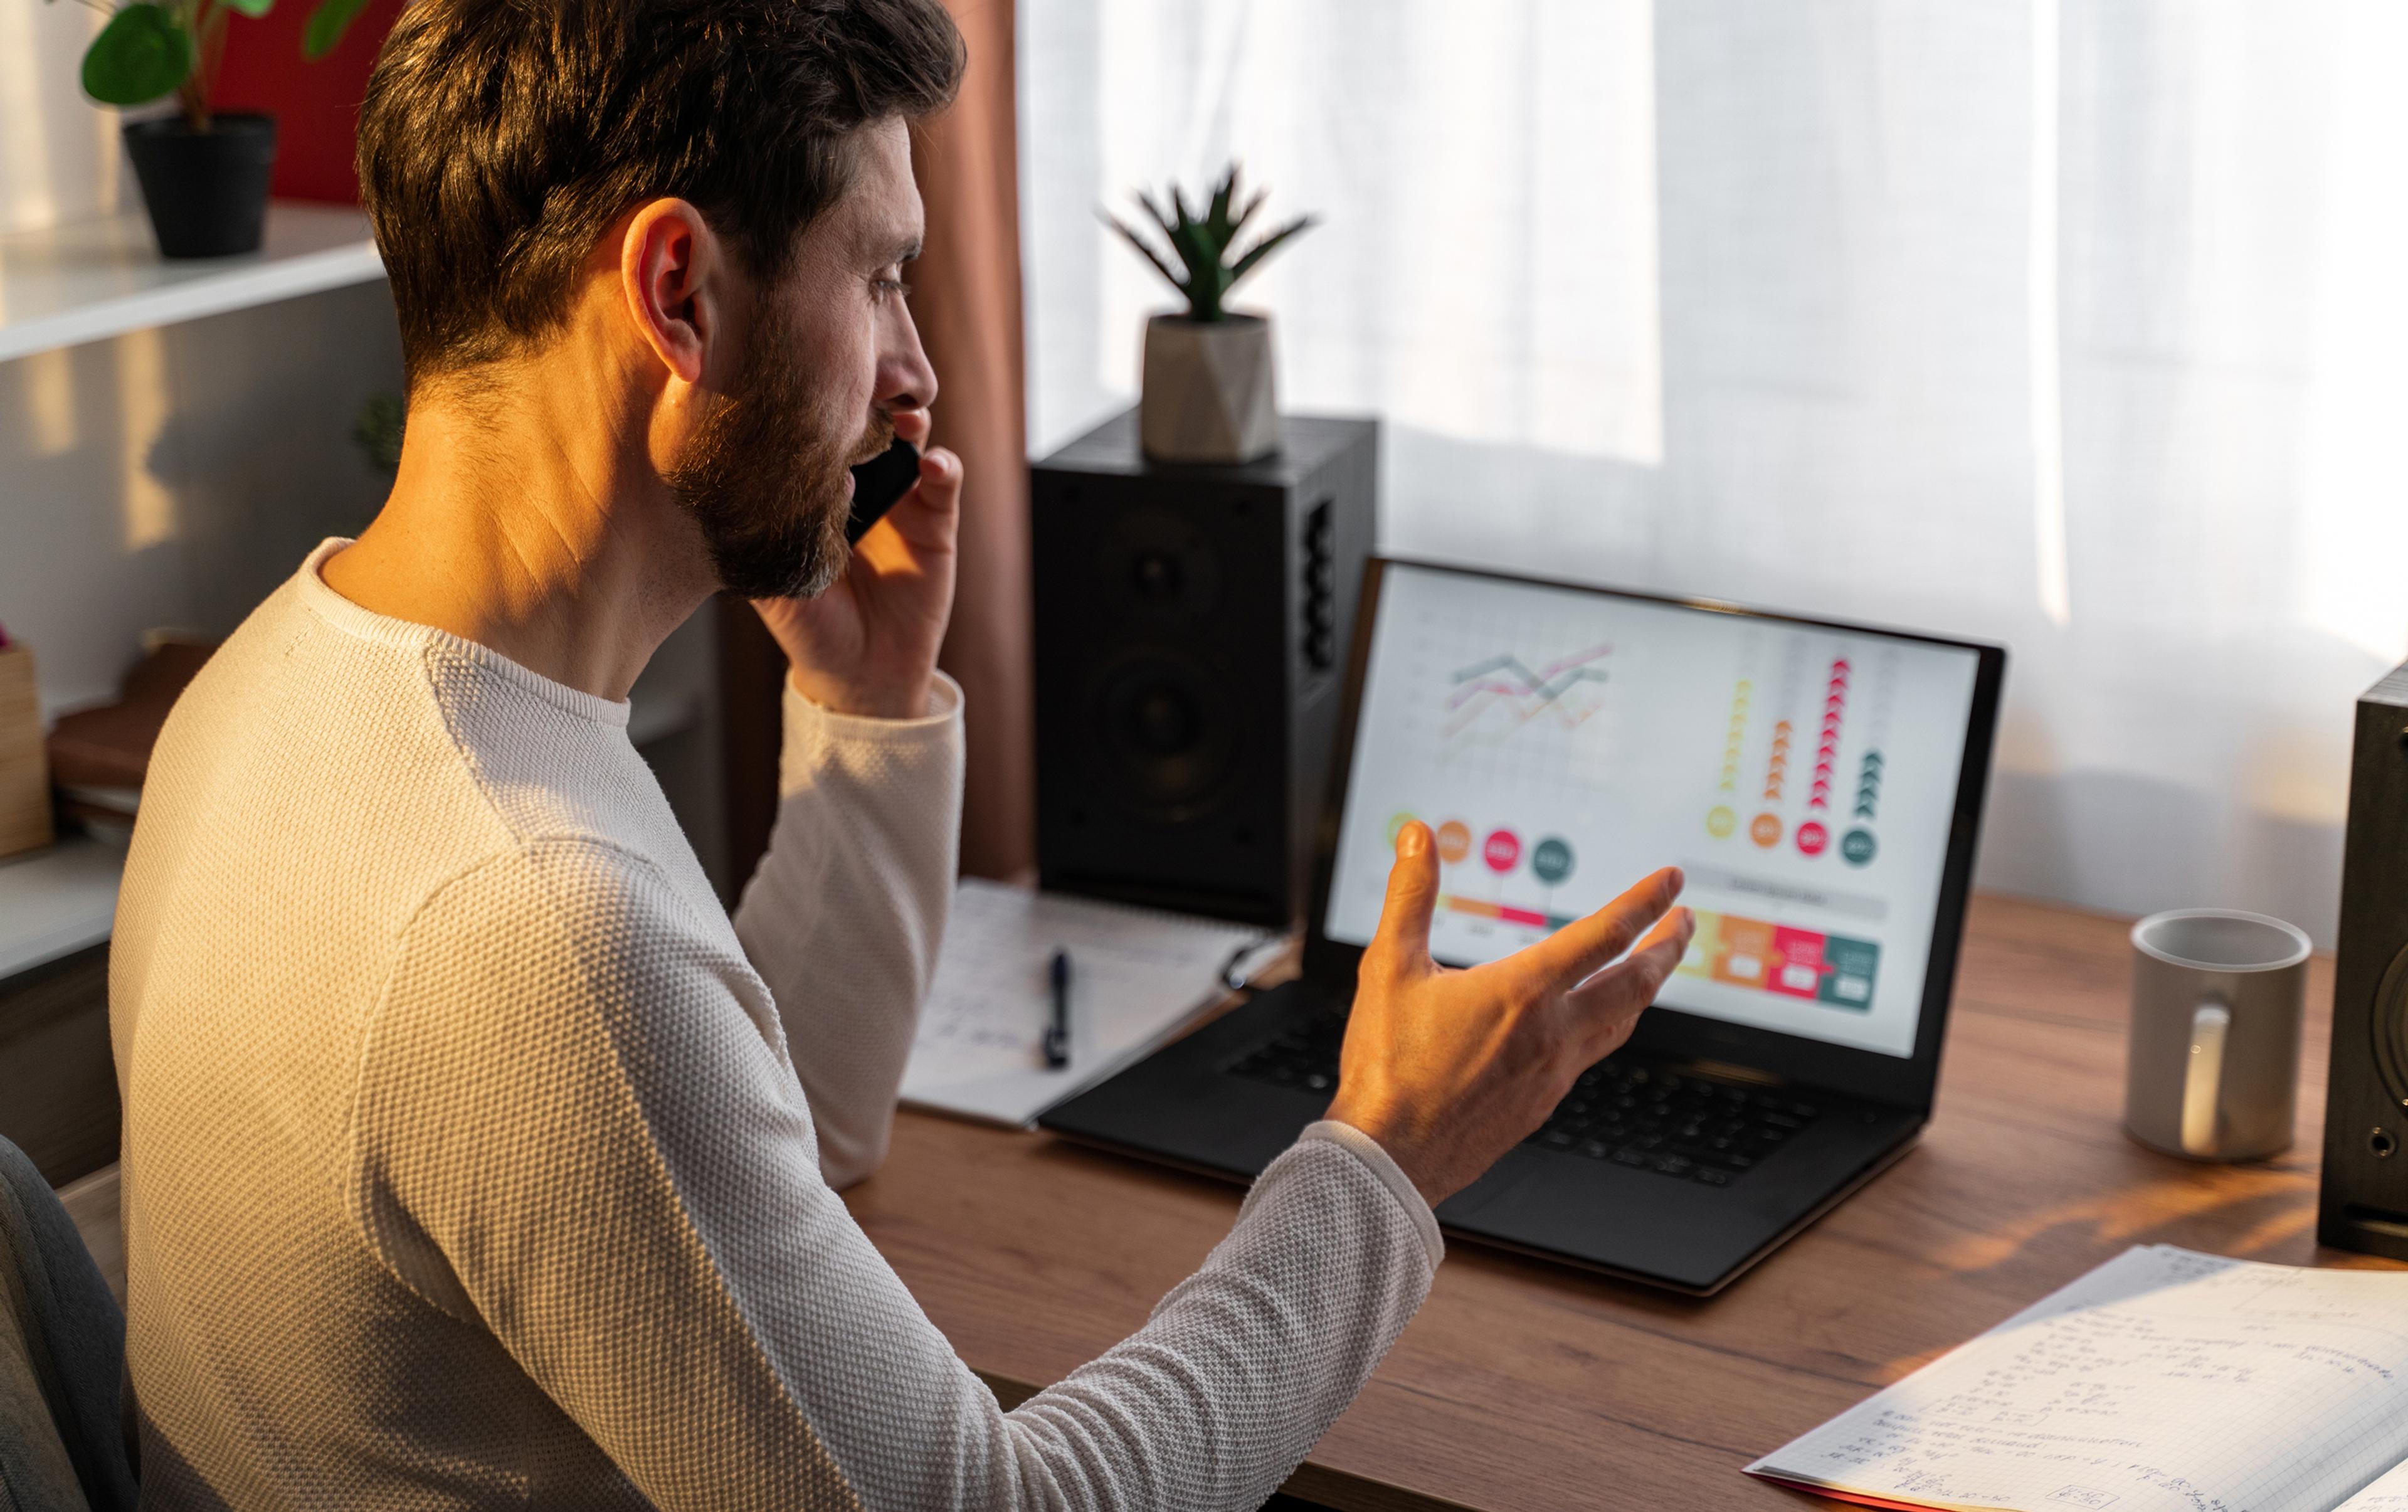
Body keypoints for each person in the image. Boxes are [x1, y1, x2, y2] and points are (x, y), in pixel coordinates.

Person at [108, 0, 1694, 1505]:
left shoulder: (289, 677)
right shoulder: (525, 922)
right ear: (677, 294)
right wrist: (1384, 1159)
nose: (916, 376)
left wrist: (868, 716)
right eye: (879, 277)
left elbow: (798, 1129)